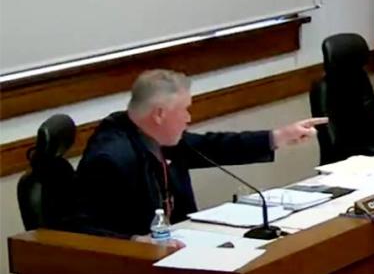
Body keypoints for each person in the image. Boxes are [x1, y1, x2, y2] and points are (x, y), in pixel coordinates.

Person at [72, 69, 326, 244]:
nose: (188, 118)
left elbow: (213, 146)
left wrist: (279, 137)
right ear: (159, 114)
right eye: (184, 110)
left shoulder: (154, 135)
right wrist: (135, 240)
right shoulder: (110, 158)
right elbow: (80, 228)